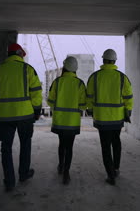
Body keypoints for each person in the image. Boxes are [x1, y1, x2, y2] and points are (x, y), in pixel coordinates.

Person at [0, 43, 42, 192]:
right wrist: (36, 111)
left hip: (5, 116)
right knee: (25, 144)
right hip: (25, 116)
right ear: (19, 54)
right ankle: (24, 174)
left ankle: (9, 181)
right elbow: (36, 92)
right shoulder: (28, 69)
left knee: (6, 149)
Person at [86, 49, 133, 185]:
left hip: (101, 118)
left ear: (103, 60)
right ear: (115, 61)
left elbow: (89, 96)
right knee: (116, 142)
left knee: (105, 146)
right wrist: (128, 110)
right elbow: (128, 97)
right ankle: (116, 168)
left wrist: (89, 109)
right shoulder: (122, 77)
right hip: (117, 118)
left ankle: (110, 174)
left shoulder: (95, 77)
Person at [47, 56, 86, 185]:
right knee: (69, 147)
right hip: (72, 122)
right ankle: (66, 173)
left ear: (64, 67)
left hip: (59, 120)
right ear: (75, 69)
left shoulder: (57, 82)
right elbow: (83, 105)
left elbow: (50, 101)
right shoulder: (79, 84)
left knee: (61, 144)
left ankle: (60, 166)